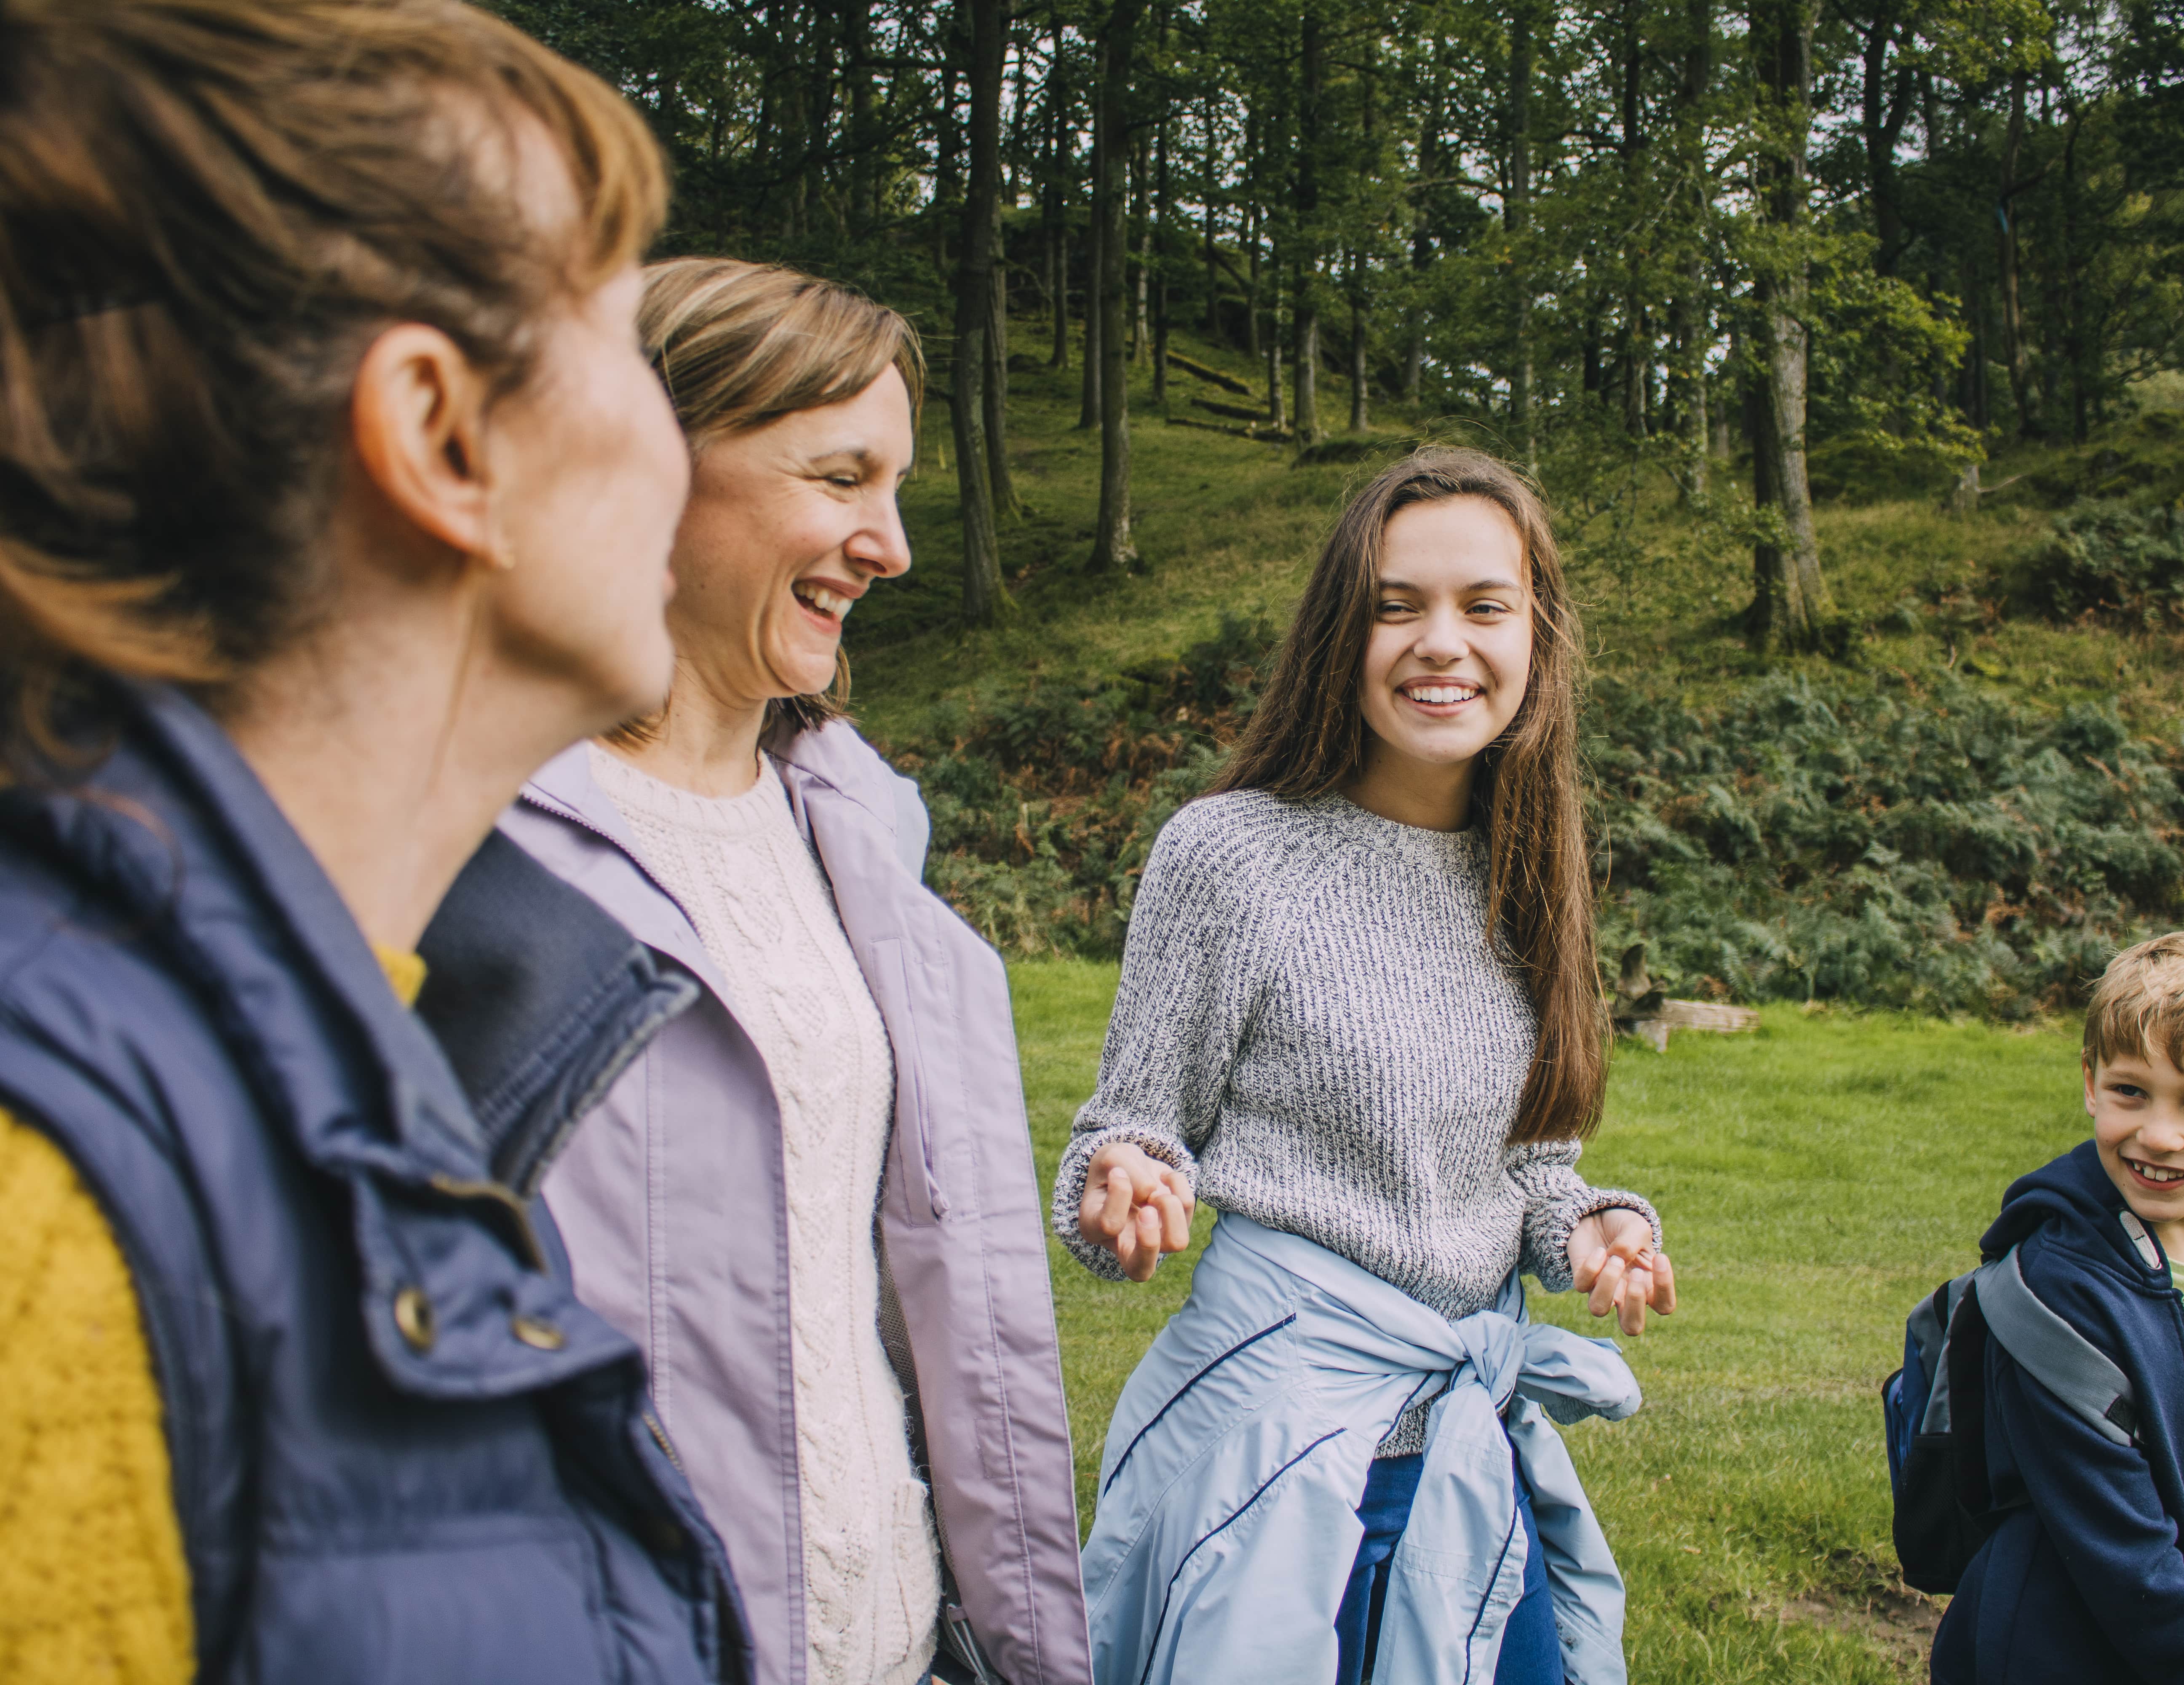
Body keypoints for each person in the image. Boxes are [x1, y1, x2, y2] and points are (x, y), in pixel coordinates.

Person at [0, 1, 749, 1680]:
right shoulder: (38, 1212)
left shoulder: (391, 1042)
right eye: (630, 338)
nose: (677, 455)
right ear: (441, 437)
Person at [455, 256, 1089, 1685]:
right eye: (840, 478)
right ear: (639, 466)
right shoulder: (462, 838)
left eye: (899, 488)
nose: (893, 544)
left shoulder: (861, 837)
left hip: (899, 1646)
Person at [1053, 447, 1678, 1685]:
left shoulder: (1535, 872)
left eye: (1483, 606)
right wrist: (1122, 1180)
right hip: (1280, 1462)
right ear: (1343, 632)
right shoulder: (1232, 858)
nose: (1442, 641)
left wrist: (1592, 1227)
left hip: (1467, 1458)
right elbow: (1130, 1125)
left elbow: (1533, 1166)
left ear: (1537, 638)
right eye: (1399, 605)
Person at [1930, 930, 2184, 1684]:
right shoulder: (2060, 1291)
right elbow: (2132, 1574)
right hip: (2056, 1650)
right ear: (2090, 1081)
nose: (2158, 1134)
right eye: (2130, 1092)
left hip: (2182, 1628)